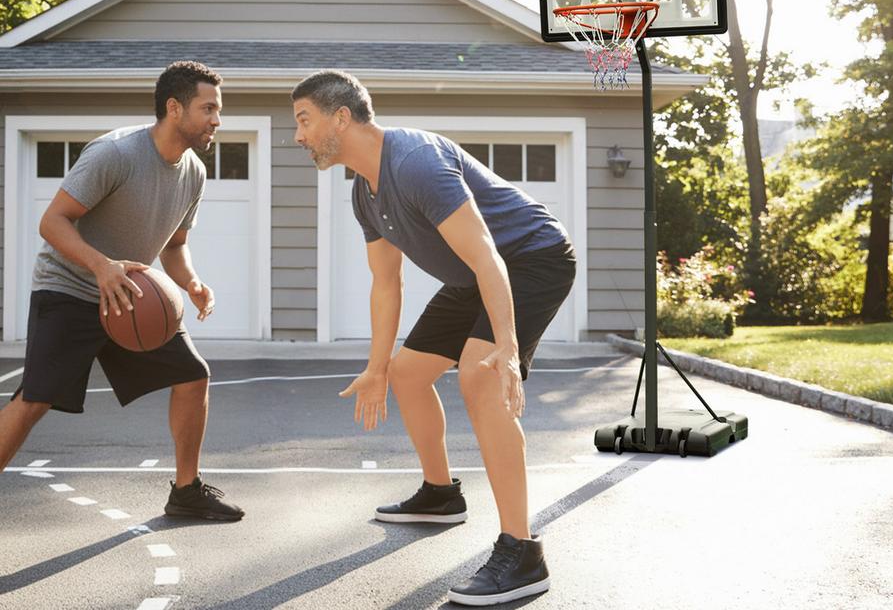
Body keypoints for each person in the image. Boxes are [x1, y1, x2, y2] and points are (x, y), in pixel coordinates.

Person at [292, 70, 576, 605]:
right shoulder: (364, 193)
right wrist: (376, 368)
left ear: (341, 117)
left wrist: (508, 351)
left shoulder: (416, 162)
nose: (298, 135)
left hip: (531, 257)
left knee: (480, 375)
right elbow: (386, 282)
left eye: (304, 120)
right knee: (407, 373)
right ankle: (441, 494)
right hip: (474, 273)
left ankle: (523, 551)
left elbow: (490, 254)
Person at [0, 61, 243, 522]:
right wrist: (101, 266)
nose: (217, 120)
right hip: (69, 289)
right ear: (175, 108)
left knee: (194, 377)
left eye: (218, 110)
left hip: (129, 297)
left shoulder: (193, 171)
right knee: (34, 400)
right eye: (208, 108)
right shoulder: (115, 154)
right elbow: (52, 222)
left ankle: (186, 491)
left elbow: (174, 246)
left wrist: (190, 282)